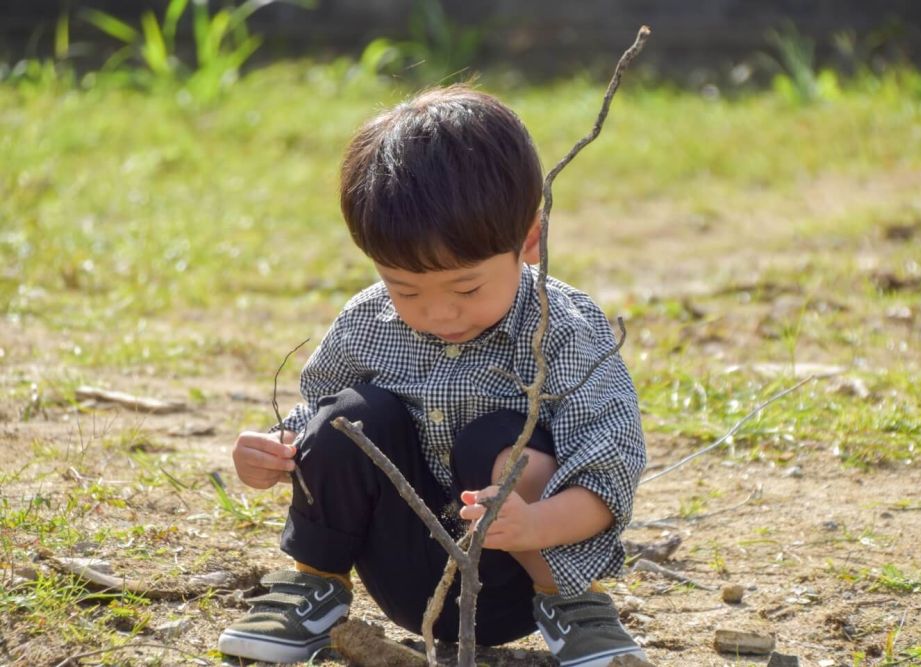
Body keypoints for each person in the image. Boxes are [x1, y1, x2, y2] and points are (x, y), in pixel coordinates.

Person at [218, 84, 648, 667]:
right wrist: (275, 451)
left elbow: (611, 461)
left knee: (499, 440)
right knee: (350, 419)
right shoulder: (368, 322)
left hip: (523, 565)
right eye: (406, 289)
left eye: (467, 287)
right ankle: (312, 588)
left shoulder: (565, 330)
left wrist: (536, 523)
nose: (439, 312)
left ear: (530, 240)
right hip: (404, 572)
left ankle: (573, 609)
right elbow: (316, 417)